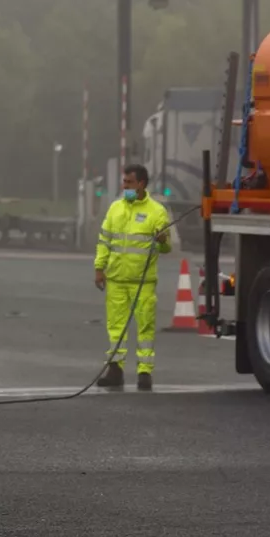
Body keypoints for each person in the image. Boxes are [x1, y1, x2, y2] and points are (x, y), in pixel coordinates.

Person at [93, 164, 172, 391]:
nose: (124, 185)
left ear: (141, 184)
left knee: (145, 327)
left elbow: (166, 248)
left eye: (129, 182)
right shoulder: (115, 209)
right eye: (124, 181)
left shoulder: (157, 211)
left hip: (143, 282)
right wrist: (99, 268)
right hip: (116, 279)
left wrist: (163, 240)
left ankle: (144, 372)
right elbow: (104, 241)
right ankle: (115, 369)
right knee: (115, 327)